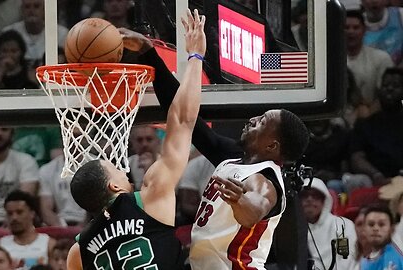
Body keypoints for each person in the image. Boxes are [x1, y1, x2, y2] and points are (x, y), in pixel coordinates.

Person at [120, 20, 310, 270]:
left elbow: (257, 208)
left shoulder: (265, 179)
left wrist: (242, 203)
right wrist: (149, 54)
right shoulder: (231, 156)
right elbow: (183, 118)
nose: (253, 120)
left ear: (272, 146)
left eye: (262, 121)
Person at [66, 9, 206, 270]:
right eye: (117, 171)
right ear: (114, 187)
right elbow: (183, 120)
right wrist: (195, 56)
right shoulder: (152, 195)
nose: (123, 171)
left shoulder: (78, 250)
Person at [350, 67, 403, 186]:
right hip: (374, 178)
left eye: (396, 86)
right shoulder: (364, 124)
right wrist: (376, 175)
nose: (389, 89)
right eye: (385, 85)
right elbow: (357, 158)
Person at [300, 178, 359, 270]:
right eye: (305, 195)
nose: (309, 199)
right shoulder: (291, 229)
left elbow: (348, 259)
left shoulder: (342, 225)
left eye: (315, 196)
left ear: (324, 201)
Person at [346, 10, 394, 120]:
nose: (350, 31)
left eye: (356, 27)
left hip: (374, 119)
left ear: (364, 30)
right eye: (346, 27)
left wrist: (368, 114)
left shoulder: (381, 58)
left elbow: (388, 95)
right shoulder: (329, 60)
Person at [0, 190, 56, 269]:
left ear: (32, 214)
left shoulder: (49, 244)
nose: (14, 218)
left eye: (19, 212)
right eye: (10, 213)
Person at [38, 155, 88, 226]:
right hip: (60, 223)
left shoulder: (98, 165)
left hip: (89, 224)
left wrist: (84, 229)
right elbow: (46, 210)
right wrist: (63, 229)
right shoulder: (46, 170)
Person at [360, 205, 403, 270]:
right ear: (364, 229)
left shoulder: (398, 256)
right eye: (371, 224)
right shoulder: (362, 263)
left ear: (392, 229)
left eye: (381, 224)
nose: (376, 228)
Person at [128, 125, 161, 190]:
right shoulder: (127, 165)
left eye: (149, 139)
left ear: (158, 141)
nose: (144, 144)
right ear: (132, 143)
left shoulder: (168, 164)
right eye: (139, 140)